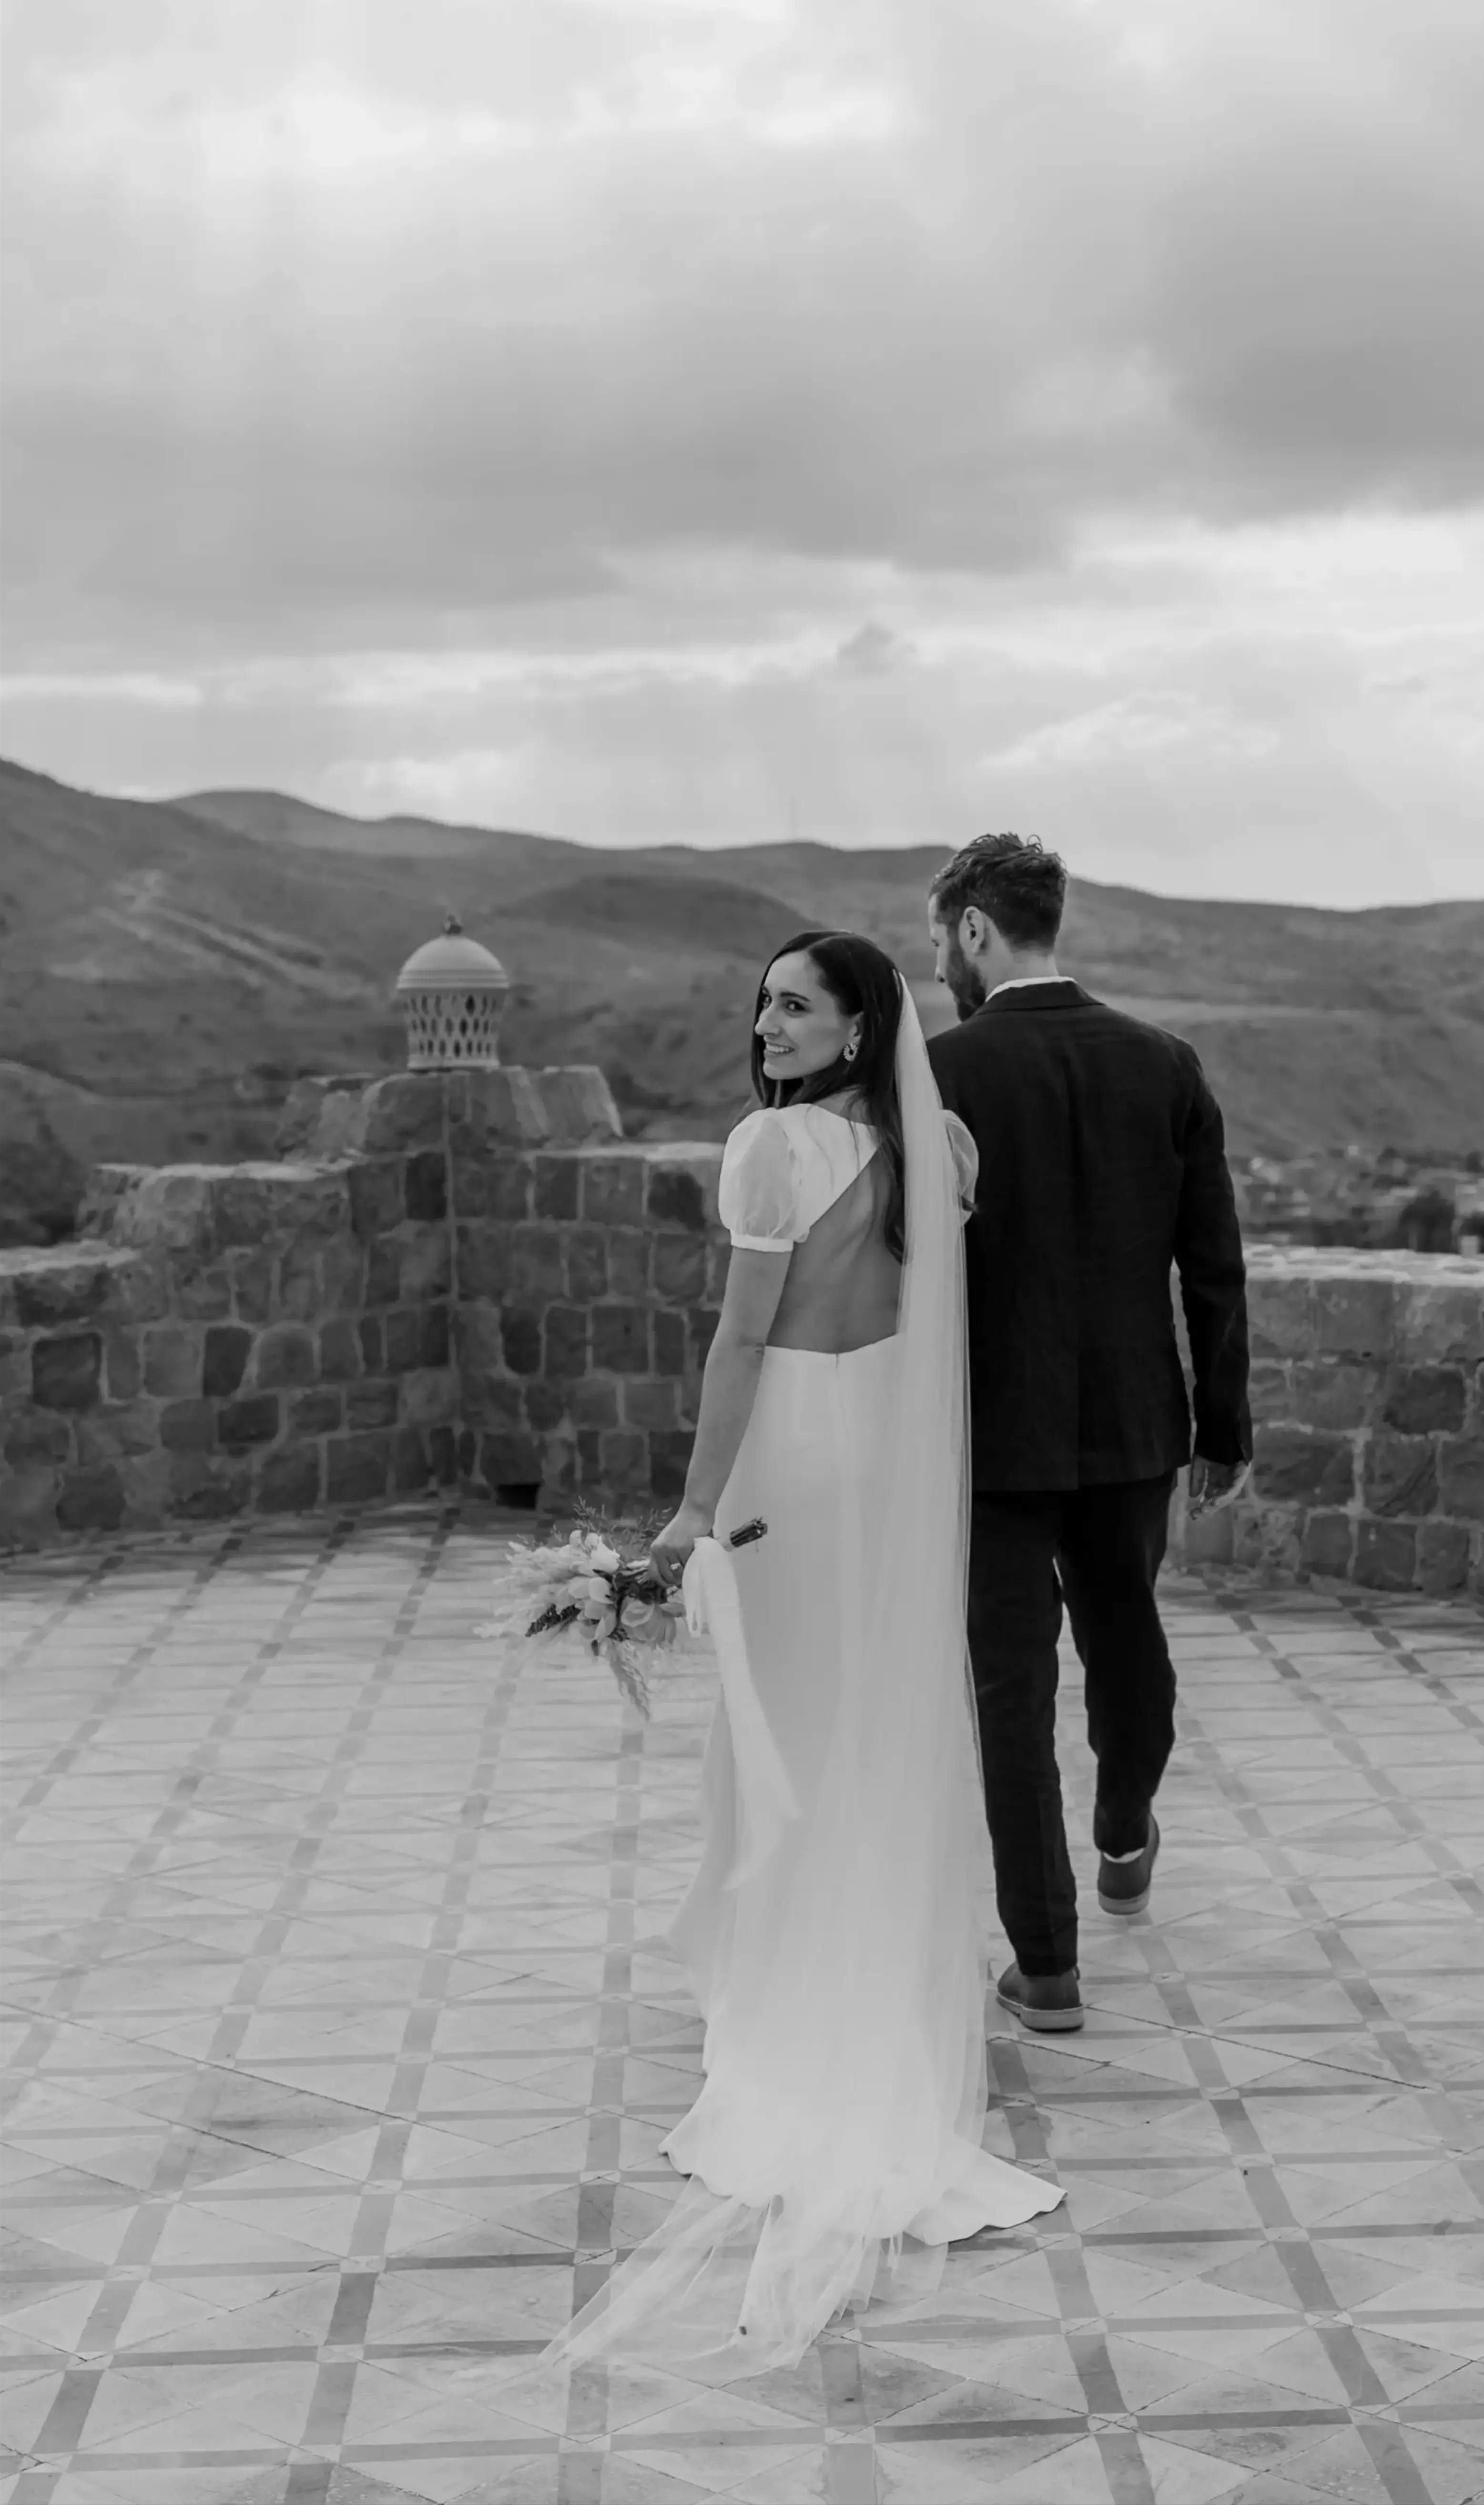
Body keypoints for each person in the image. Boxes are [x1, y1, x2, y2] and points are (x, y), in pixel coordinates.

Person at [539, 929, 1062, 2385]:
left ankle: (777, 1966)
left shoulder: (769, 1150)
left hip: (794, 1454)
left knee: (782, 1714)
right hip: (891, 1458)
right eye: (761, 999)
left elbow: (739, 1343)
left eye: (796, 1004)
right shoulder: (939, 1140)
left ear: (854, 1025)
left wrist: (695, 1504)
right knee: (869, 1711)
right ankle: (861, 1952)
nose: (766, 1022)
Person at [926, 834, 1252, 2035]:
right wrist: (1223, 1424)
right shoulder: (1165, 1063)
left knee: (1010, 1688)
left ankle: (1048, 1967)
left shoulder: (941, 1068)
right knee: (1128, 1637)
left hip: (990, 1432)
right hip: (1133, 1423)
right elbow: (1211, 1264)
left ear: (971, 928)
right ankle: (1124, 1832)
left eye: (939, 941)